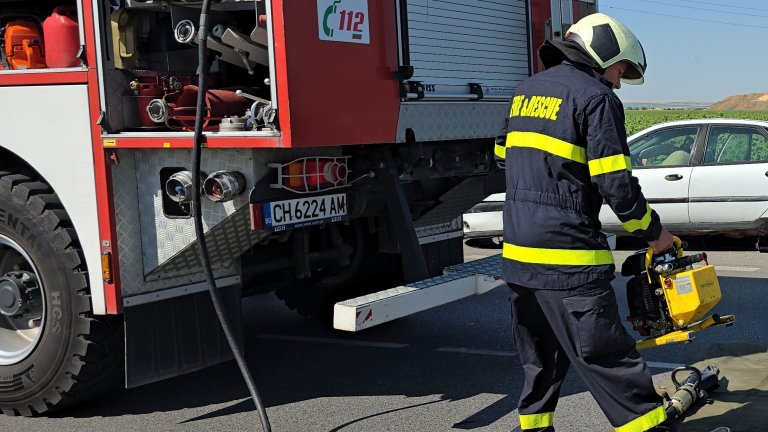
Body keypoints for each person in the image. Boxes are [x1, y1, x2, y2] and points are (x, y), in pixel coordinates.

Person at [497, 13, 677, 432]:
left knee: (540, 359)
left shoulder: (526, 91)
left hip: (518, 257)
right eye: (619, 70)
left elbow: (503, 155)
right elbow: (617, 185)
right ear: (604, 53)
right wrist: (656, 235)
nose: (617, 80)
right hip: (568, 256)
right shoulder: (596, 97)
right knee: (610, 357)